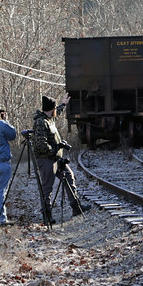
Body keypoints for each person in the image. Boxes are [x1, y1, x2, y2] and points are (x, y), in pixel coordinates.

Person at [31, 96, 91, 224]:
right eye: (54, 108)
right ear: (51, 109)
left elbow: (56, 113)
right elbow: (41, 144)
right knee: (47, 187)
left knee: (69, 176)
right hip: (46, 159)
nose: (55, 111)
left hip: (56, 158)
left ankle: (76, 207)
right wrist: (56, 148)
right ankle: (47, 215)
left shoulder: (49, 119)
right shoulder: (41, 122)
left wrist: (63, 104)